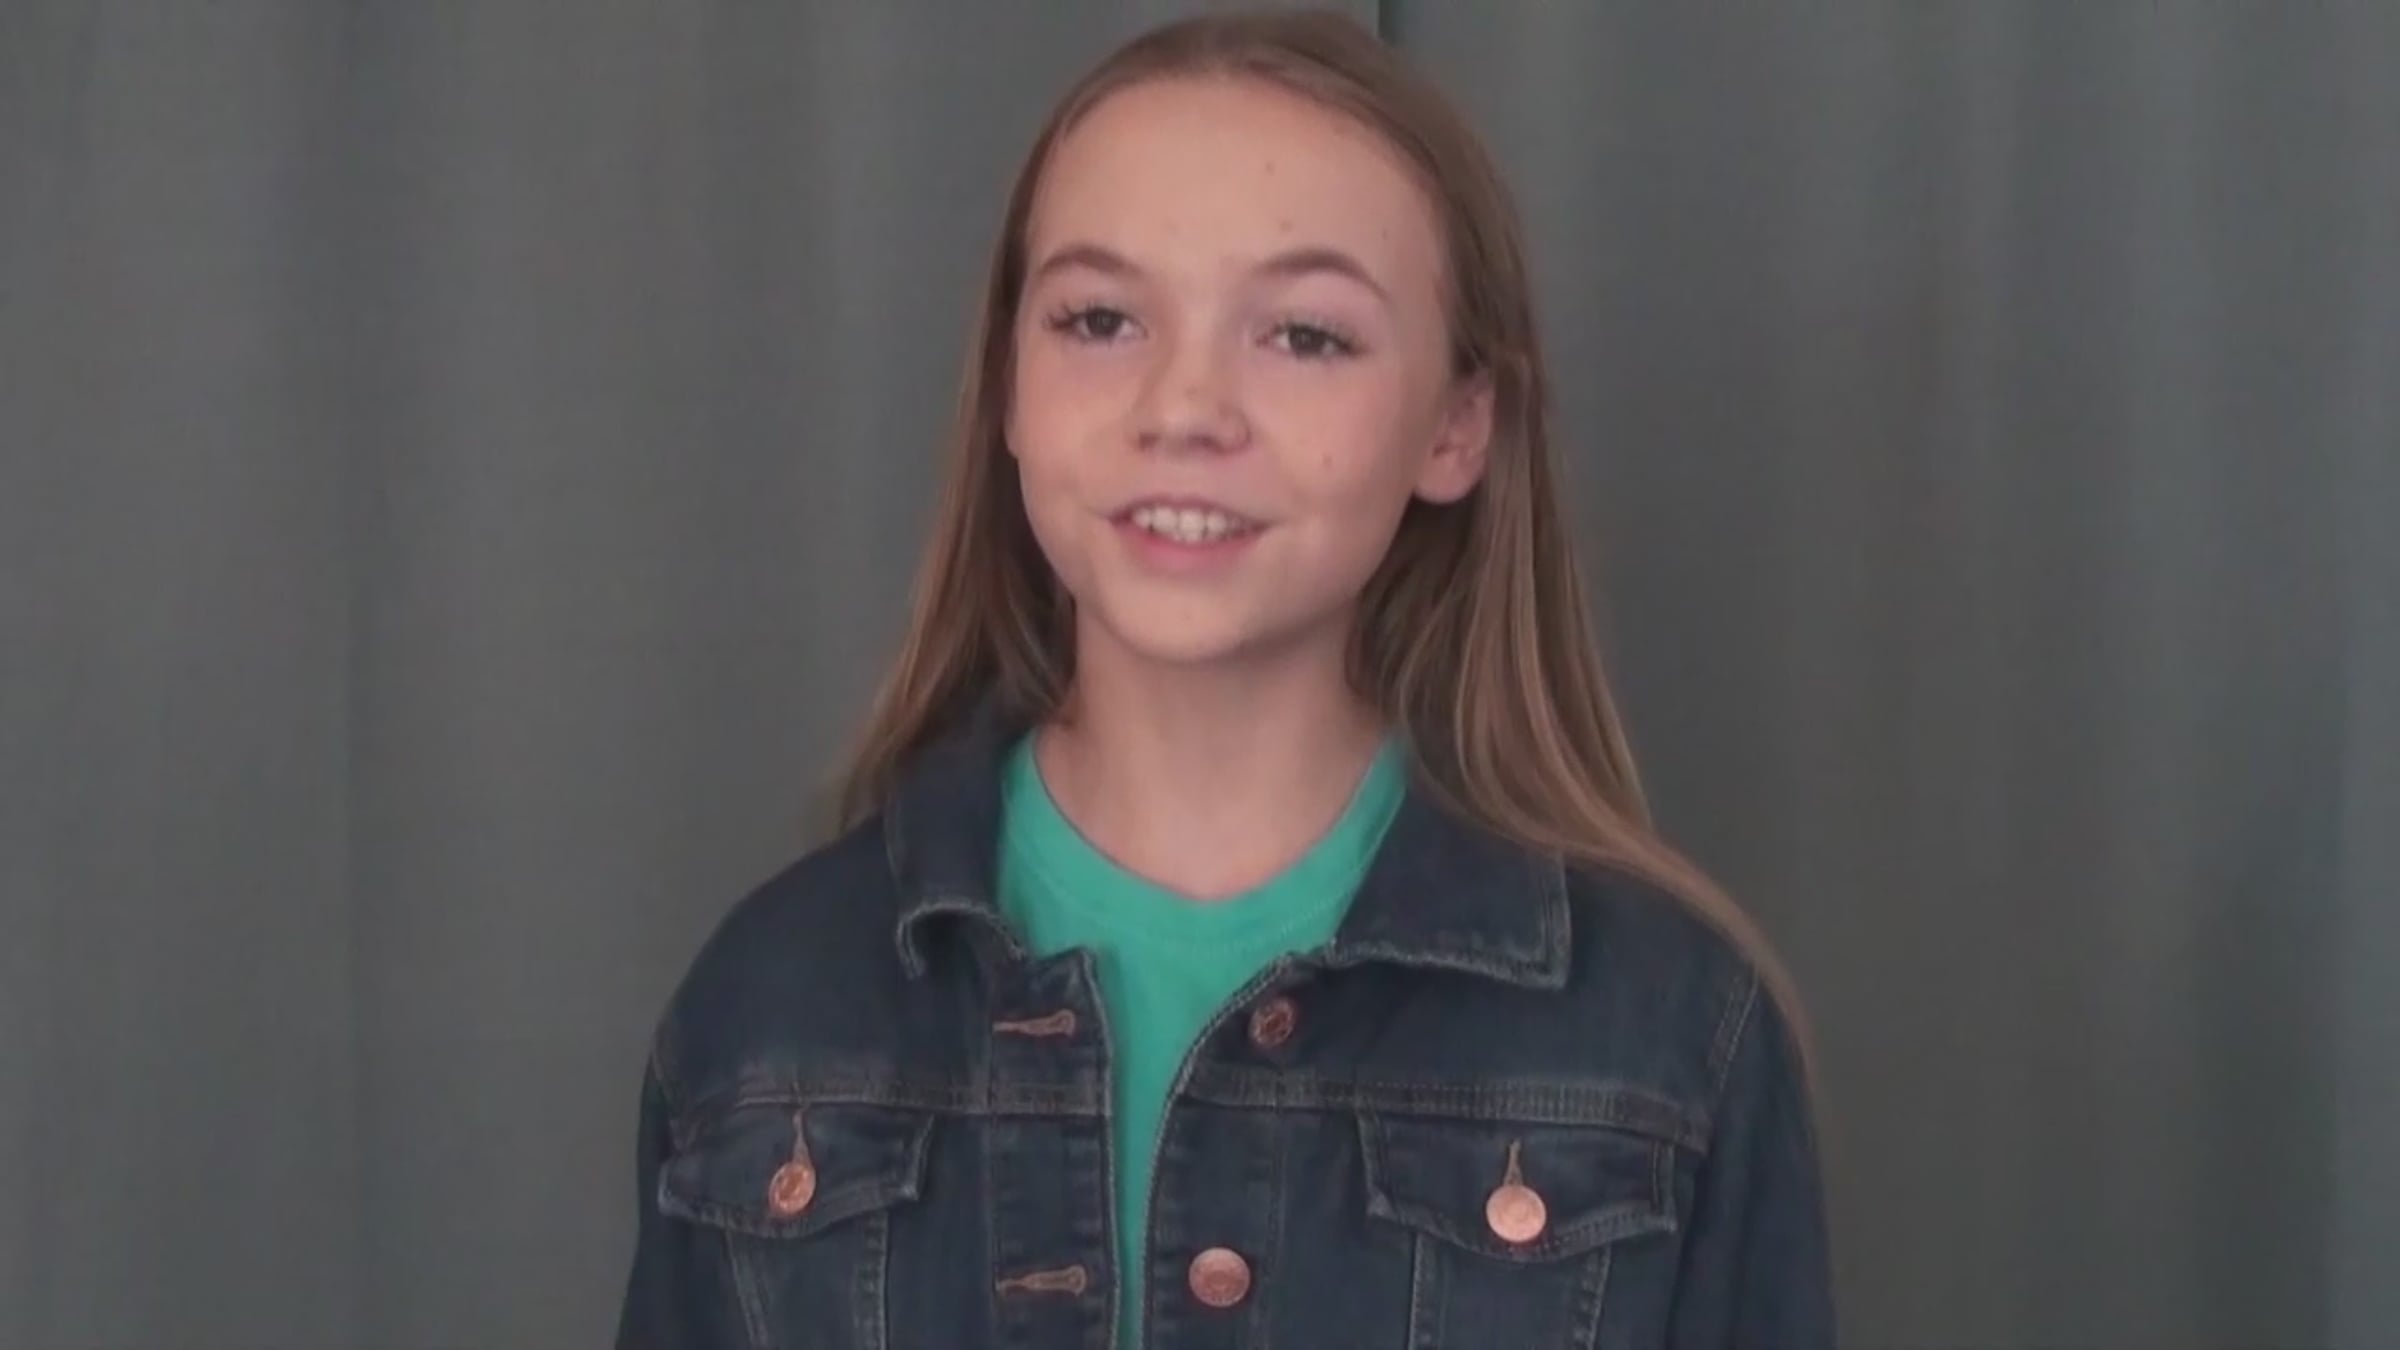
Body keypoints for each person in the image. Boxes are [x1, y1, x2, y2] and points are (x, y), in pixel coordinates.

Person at [615, 9, 1834, 1348]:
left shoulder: (1673, 1032)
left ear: (1456, 423)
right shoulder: (767, 1012)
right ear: (1010, 387)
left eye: (1303, 335)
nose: (1184, 408)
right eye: (1099, 318)